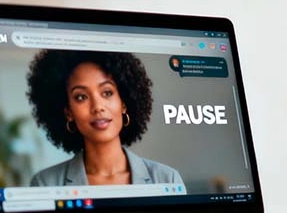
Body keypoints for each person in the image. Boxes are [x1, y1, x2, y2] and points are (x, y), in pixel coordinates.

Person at [26, 49, 183, 187]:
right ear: (68, 112)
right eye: (81, 97)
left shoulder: (167, 179)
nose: (97, 106)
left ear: (123, 103)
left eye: (107, 93)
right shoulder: (45, 183)